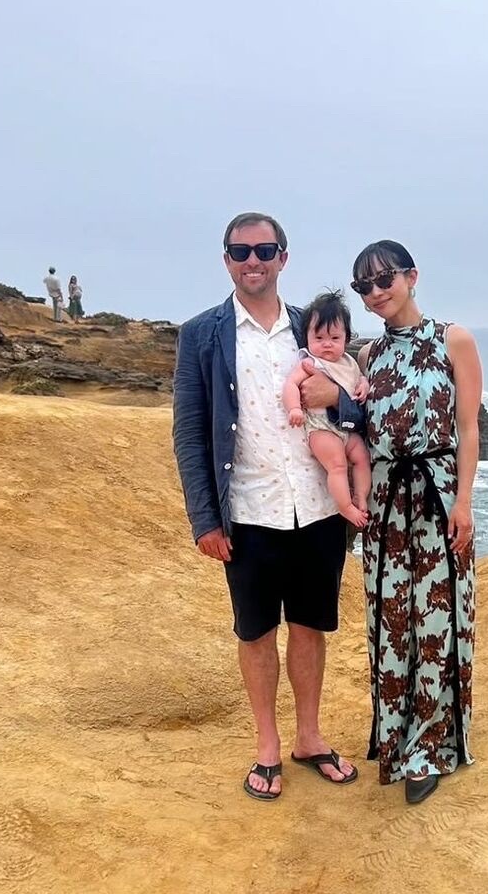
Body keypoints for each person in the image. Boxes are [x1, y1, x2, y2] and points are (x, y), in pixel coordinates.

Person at [173, 212, 365, 802]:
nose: (252, 261)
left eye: (264, 250)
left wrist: (340, 401)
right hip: (249, 511)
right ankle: (267, 745)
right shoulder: (201, 334)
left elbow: (362, 405)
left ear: (283, 257)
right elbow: (190, 432)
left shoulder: (317, 327)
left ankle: (309, 737)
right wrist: (205, 519)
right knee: (255, 631)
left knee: (309, 627)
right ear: (226, 260)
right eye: (240, 251)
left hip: (318, 508)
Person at [352, 239, 481, 805]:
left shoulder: (454, 339)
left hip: (438, 495)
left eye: (385, 280)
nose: (376, 292)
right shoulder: (367, 356)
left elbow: (469, 428)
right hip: (384, 502)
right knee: (390, 619)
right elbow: (355, 432)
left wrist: (464, 502)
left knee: (437, 620)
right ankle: (394, 731)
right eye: (364, 286)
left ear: (412, 277)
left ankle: (431, 746)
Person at [282, 291, 371, 530]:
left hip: (345, 429)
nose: (327, 344)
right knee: (338, 465)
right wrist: (294, 408)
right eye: (319, 337)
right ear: (307, 338)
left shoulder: (349, 362)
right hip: (320, 428)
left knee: (362, 458)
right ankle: (346, 507)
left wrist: (363, 385)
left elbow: (359, 379)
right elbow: (290, 385)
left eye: (334, 337)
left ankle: (360, 496)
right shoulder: (310, 362)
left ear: (346, 338)